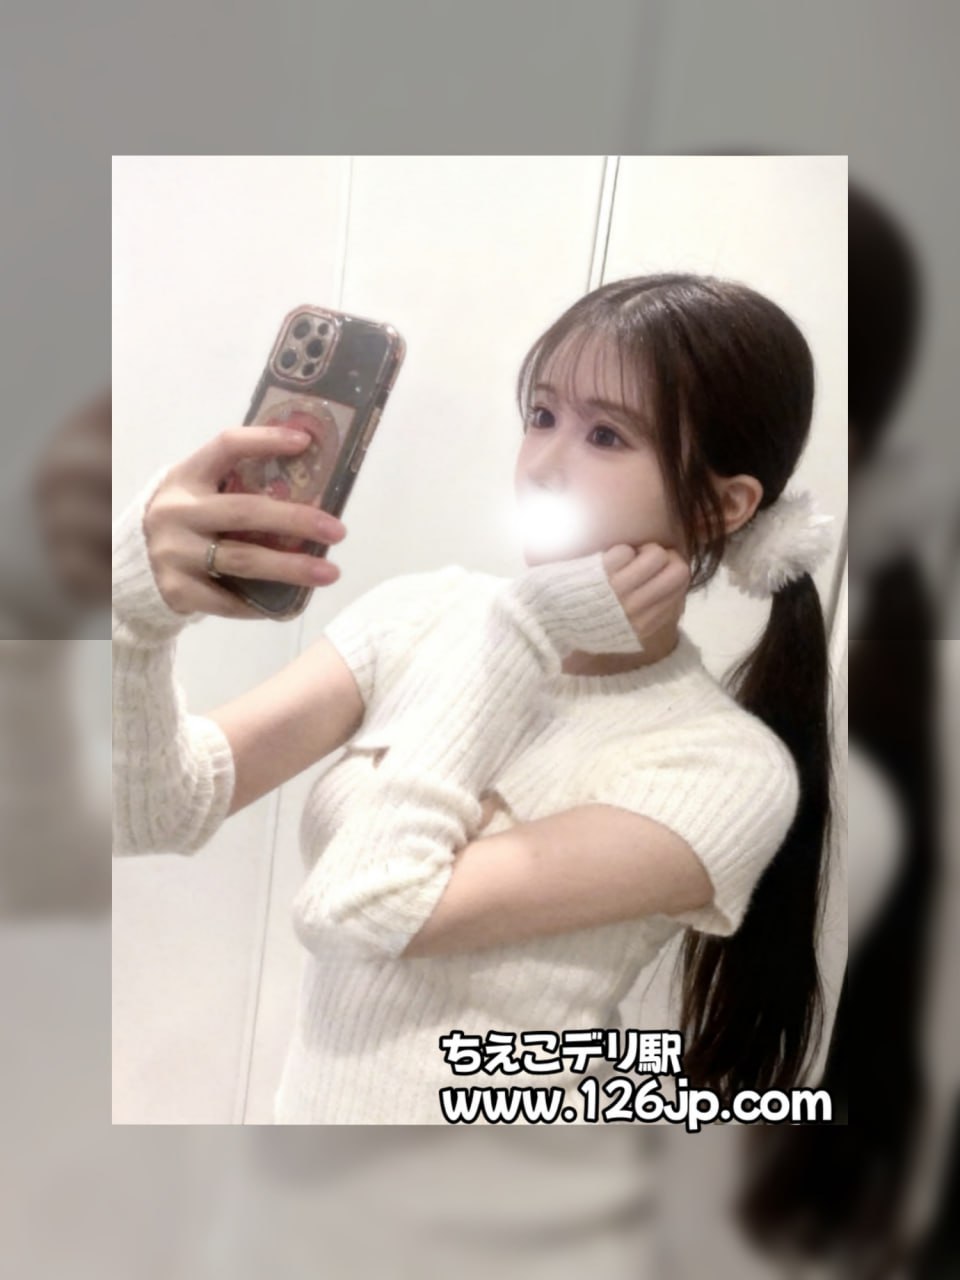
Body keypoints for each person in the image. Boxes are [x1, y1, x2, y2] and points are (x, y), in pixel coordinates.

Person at [112, 273, 836, 1124]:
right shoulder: (418, 616)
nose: (543, 467)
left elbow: (362, 908)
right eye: (542, 415)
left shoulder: (722, 768)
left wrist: (525, 629)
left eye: (606, 435)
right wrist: (132, 620)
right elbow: (151, 813)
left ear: (721, 506)